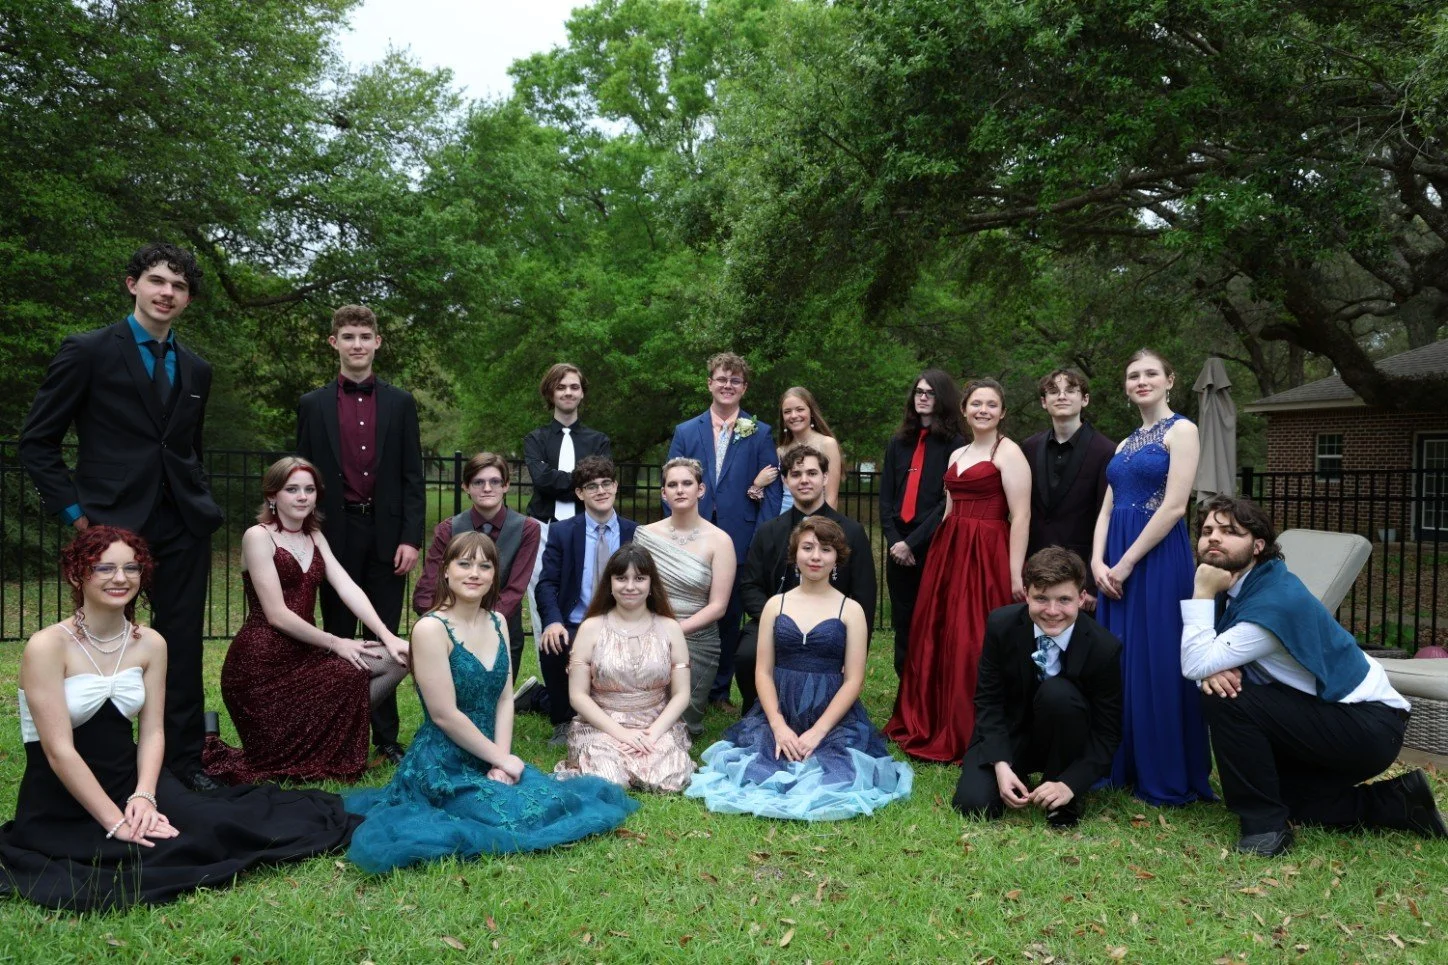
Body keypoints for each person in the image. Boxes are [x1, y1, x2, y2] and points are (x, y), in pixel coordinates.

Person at [0, 527, 358, 912]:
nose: (120, 578)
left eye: (131, 568)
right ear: (77, 575)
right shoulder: (47, 646)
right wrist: (116, 821)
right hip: (62, 795)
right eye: (104, 568)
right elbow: (59, 751)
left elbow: (153, 732)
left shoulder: (151, 643)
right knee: (155, 852)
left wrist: (144, 796)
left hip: (131, 778)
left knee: (214, 830)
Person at [18, 243, 224, 791]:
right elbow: (37, 442)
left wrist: (199, 495)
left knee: (180, 645)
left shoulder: (198, 369)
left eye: (179, 286)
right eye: (157, 280)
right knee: (100, 642)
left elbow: (188, 449)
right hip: (110, 527)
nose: (167, 293)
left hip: (183, 524)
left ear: (188, 298)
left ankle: (185, 763)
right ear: (132, 284)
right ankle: (102, 760)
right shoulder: (87, 351)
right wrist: (77, 517)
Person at [344, 532, 639, 873]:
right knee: (511, 817)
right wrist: (502, 759)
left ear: (494, 575)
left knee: (556, 803)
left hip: (491, 752)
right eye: (464, 564)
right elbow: (444, 715)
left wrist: (501, 762)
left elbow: (504, 699)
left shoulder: (498, 621)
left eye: (485, 566)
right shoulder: (430, 629)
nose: (475, 573)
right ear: (446, 571)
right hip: (444, 762)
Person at [1182, 496, 1446, 856]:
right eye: (1207, 530)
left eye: (1230, 531)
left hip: (1366, 725)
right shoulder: (1243, 586)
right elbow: (1202, 659)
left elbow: (1194, 662)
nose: (1213, 537)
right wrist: (1209, 670)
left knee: (1227, 698)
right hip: (1332, 716)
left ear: (1257, 546)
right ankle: (1400, 802)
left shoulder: (1272, 603)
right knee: (1283, 794)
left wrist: (1200, 598)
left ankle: (1265, 829)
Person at [687, 518, 912, 820]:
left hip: (830, 714)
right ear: (795, 555)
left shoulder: (851, 610)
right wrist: (778, 725)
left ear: (837, 557)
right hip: (781, 708)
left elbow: (854, 680)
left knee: (837, 773)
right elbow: (763, 671)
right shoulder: (775, 605)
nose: (816, 556)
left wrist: (818, 732)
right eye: (808, 548)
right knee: (759, 764)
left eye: (826, 549)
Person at [203, 458, 411, 785]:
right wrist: (336, 642)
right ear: (272, 495)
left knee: (396, 660)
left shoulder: (314, 535)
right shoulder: (257, 536)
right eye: (292, 489)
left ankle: (327, 739)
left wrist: (388, 635)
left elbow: (347, 586)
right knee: (278, 761)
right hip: (260, 667)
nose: (302, 497)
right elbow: (276, 614)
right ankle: (318, 744)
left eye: (309, 489)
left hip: (304, 654)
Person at [295, 304, 424, 766]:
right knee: (338, 633)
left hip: (388, 534)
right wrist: (305, 533)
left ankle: (385, 736)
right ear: (334, 343)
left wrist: (411, 537)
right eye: (348, 336)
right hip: (334, 532)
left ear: (377, 343)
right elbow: (302, 474)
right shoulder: (312, 405)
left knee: (384, 633)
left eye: (364, 337)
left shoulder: (401, 403)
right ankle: (338, 734)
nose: (356, 344)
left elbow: (412, 476)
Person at [1090, 348, 1213, 806]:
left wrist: (1126, 563)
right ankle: (1120, 763)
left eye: (1150, 374)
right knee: (1118, 659)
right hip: (1114, 560)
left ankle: (1162, 769)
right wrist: (1097, 561)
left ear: (1169, 380)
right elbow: (1106, 510)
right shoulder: (1123, 445)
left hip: (1157, 559)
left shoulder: (1183, 430)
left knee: (1156, 657)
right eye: (1133, 375)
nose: (1141, 381)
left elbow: (1176, 506)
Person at [886, 378, 1030, 763]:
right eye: (976, 404)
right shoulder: (958, 454)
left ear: (1003, 412)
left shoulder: (1009, 452)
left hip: (987, 552)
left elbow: (1021, 515)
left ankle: (972, 728)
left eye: (992, 404)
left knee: (974, 637)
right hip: (950, 549)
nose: (984, 410)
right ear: (964, 409)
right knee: (939, 633)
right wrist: (939, 557)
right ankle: (934, 719)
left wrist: (1015, 573)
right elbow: (949, 510)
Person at [953, 548, 1123, 828]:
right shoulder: (1001, 625)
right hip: (1010, 734)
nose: (1052, 611)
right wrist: (1000, 765)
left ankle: (1058, 789)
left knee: (1059, 694)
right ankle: (1014, 770)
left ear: (1081, 598)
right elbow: (988, 700)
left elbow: (1107, 733)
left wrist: (1070, 783)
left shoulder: (1103, 648)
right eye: (1041, 598)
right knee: (974, 805)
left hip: (1067, 739)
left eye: (1064, 600)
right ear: (1026, 594)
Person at [666, 352, 783, 711]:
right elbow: (671, 482)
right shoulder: (686, 431)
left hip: (739, 538)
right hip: (691, 536)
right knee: (688, 608)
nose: (727, 385)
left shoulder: (759, 432)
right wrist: (674, 533)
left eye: (735, 380)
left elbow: (773, 492)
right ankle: (679, 681)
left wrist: (759, 540)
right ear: (710, 383)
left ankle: (718, 691)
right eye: (721, 379)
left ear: (744, 388)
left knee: (730, 615)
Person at [734, 444, 877, 713]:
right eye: (796, 474)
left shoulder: (852, 532)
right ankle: (759, 713)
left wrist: (857, 644)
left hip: (831, 626)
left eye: (812, 473)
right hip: (777, 620)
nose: (804, 480)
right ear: (785, 481)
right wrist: (775, 619)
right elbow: (750, 585)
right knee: (747, 654)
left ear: (825, 477)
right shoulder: (768, 531)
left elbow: (864, 594)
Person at [555, 544, 695, 792]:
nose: (630, 586)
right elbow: (578, 696)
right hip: (602, 725)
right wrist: (622, 734)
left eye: (639, 578)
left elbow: (682, 694)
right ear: (610, 583)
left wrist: (652, 734)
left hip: (655, 723)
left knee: (669, 777)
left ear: (651, 584)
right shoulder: (591, 628)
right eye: (621, 578)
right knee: (608, 779)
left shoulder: (670, 628)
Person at [536, 456, 639, 745]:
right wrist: (553, 621)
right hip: (576, 622)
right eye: (592, 486)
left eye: (606, 483)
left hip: (624, 621)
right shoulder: (562, 532)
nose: (601, 491)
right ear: (580, 493)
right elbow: (546, 583)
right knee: (554, 644)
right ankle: (562, 719)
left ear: (615, 486)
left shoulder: (635, 533)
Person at [413, 452, 540, 677]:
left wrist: (483, 624)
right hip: (451, 633)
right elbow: (426, 591)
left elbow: (514, 589)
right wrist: (447, 624)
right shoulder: (448, 529)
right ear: (466, 487)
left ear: (506, 485)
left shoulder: (527, 529)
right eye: (478, 482)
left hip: (502, 630)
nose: (487, 488)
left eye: (495, 481)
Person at [635, 458, 736, 734]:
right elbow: (633, 592)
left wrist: (673, 631)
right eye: (672, 485)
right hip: (646, 633)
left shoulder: (720, 541)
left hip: (697, 640)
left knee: (678, 728)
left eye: (687, 483)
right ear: (663, 493)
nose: (680, 490)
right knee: (636, 718)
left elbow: (718, 606)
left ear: (700, 490)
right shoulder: (645, 536)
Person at [878, 370, 966, 677]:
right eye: (919, 392)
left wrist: (912, 543)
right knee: (903, 623)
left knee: (931, 621)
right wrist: (895, 542)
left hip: (931, 543)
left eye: (930, 393)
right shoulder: (898, 442)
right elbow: (886, 498)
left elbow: (947, 502)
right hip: (898, 547)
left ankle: (928, 687)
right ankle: (904, 690)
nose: (923, 397)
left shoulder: (956, 444)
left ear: (943, 398)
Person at [523, 363, 612, 651]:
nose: (568, 392)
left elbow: (598, 482)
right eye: (561, 387)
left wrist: (560, 479)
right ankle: (549, 668)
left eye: (574, 386)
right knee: (542, 600)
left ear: (582, 393)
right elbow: (541, 480)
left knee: (590, 595)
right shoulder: (535, 439)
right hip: (543, 528)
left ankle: (591, 663)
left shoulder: (598, 440)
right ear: (550, 393)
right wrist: (580, 481)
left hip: (587, 526)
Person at [1020, 368, 1116, 608]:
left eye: (1070, 390)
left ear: (1085, 399)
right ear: (1044, 402)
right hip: (1034, 569)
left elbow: (1105, 517)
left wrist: (1091, 583)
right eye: (1053, 391)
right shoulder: (1028, 447)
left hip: (1079, 574)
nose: (1061, 396)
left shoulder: (1106, 451)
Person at [770, 386, 844, 514]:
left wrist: (821, 524)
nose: (794, 415)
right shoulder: (781, 451)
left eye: (800, 409)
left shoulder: (827, 444)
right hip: (784, 517)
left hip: (817, 519)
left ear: (811, 412)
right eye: (787, 411)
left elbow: (831, 497)